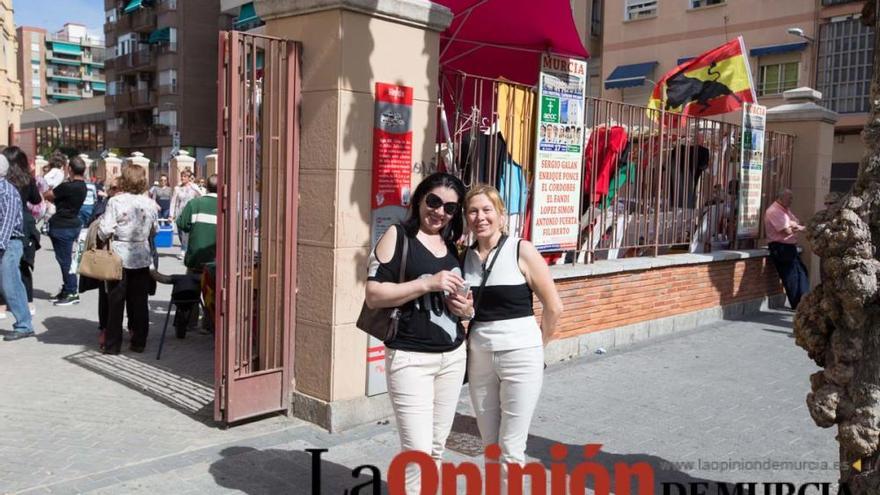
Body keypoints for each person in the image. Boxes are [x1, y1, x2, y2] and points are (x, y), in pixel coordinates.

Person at [364, 172, 470, 495]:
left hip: (452, 358)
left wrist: (465, 309)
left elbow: (462, 305)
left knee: (436, 449)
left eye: (450, 208)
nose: (440, 212)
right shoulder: (399, 236)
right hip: (410, 359)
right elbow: (373, 295)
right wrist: (428, 282)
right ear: (420, 198)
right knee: (417, 454)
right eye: (434, 201)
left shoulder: (453, 245)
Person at [458, 184, 563, 493]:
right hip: (480, 358)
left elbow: (554, 307)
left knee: (511, 446)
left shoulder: (521, 249)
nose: (480, 217)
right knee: (490, 444)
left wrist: (536, 346)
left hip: (521, 356)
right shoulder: (465, 259)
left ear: (501, 216)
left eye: (487, 210)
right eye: (473, 211)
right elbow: (468, 313)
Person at [98, 166, 159, 354]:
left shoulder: (115, 201)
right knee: (139, 301)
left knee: (115, 302)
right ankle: (139, 342)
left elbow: (105, 230)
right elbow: (154, 229)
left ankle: (113, 345)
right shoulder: (150, 203)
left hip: (119, 256)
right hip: (141, 255)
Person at [0, 147, 41, 317]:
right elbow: (36, 200)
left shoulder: (5, 182)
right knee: (24, 266)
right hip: (25, 223)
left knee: (4, 268)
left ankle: (2, 306)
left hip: (8, 224)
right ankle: (29, 303)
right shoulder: (27, 179)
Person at [175, 174, 218, 334]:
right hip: (215, 262)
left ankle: (189, 322)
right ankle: (209, 324)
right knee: (212, 293)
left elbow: (181, 224)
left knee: (191, 292)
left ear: (206, 186)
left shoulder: (195, 203)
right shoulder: (226, 205)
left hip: (194, 260)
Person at [44, 155, 88, 306]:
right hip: (73, 223)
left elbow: (48, 195)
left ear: (70, 169)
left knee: (65, 261)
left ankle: (71, 291)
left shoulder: (66, 186)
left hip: (62, 226)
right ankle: (67, 288)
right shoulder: (83, 187)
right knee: (66, 260)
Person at [763, 188, 810, 310]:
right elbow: (787, 230)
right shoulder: (774, 211)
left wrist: (794, 224)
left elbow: (798, 222)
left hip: (790, 246)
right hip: (780, 247)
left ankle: (804, 302)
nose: (791, 201)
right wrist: (795, 226)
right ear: (781, 198)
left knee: (802, 272)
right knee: (791, 277)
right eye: (790, 198)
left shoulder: (785, 210)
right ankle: (797, 304)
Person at [170, 168, 201, 260]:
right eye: (182, 176)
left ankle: (184, 251)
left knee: (187, 233)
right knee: (180, 233)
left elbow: (201, 196)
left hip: (191, 213)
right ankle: (185, 248)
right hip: (180, 214)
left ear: (189, 177)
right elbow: (173, 202)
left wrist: (195, 187)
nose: (182, 178)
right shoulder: (177, 188)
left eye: (184, 176)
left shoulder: (194, 187)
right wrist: (171, 215)